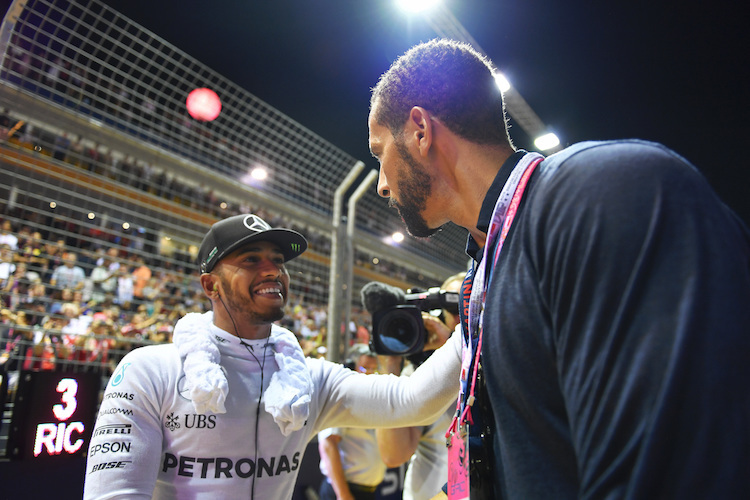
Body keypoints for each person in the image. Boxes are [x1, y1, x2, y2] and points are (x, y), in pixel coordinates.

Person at [368, 39, 750, 499]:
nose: (382, 184)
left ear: (420, 131)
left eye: (378, 152)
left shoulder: (605, 194)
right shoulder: (490, 266)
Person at [83, 213, 461, 500]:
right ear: (209, 285)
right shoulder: (149, 371)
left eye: (277, 260)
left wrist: (471, 319)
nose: (272, 270)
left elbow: (412, 401)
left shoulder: (308, 380)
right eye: (250, 260)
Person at [375, 272, 464, 500]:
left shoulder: (498, 366)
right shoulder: (421, 371)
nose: (460, 317)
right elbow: (394, 455)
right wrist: (391, 364)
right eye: (453, 310)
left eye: (467, 305)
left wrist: (463, 355)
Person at [318, 345, 386, 500]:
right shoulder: (342, 397)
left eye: (373, 369)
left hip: (366, 491)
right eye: (364, 368)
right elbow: (328, 444)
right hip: (344, 491)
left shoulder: (373, 399)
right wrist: (343, 494)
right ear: (351, 367)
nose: (369, 373)